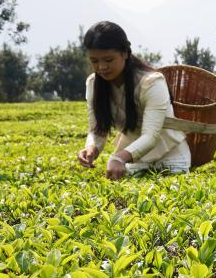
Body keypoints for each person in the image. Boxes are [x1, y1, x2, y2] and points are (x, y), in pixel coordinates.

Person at [77, 21, 191, 179]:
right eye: (95, 61)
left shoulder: (152, 83)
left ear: (125, 53)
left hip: (170, 157)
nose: (102, 67)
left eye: (108, 60)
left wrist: (118, 158)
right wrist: (91, 148)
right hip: (130, 158)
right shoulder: (93, 84)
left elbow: (151, 136)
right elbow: (97, 129)